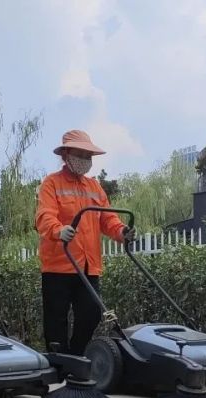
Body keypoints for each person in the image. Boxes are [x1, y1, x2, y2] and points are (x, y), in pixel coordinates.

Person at [35, 129, 135, 355]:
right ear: (66, 155)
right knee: (56, 319)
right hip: (59, 265)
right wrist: (59, 230)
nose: (85, 160)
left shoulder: (94, 187)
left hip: (88, 266)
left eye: (88, 156)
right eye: (80, 155)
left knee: (91, 313)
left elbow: (108, 219)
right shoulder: (51, 183)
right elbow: (44, 216)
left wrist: (122, 232)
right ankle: (59, 361)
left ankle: (76, 355)